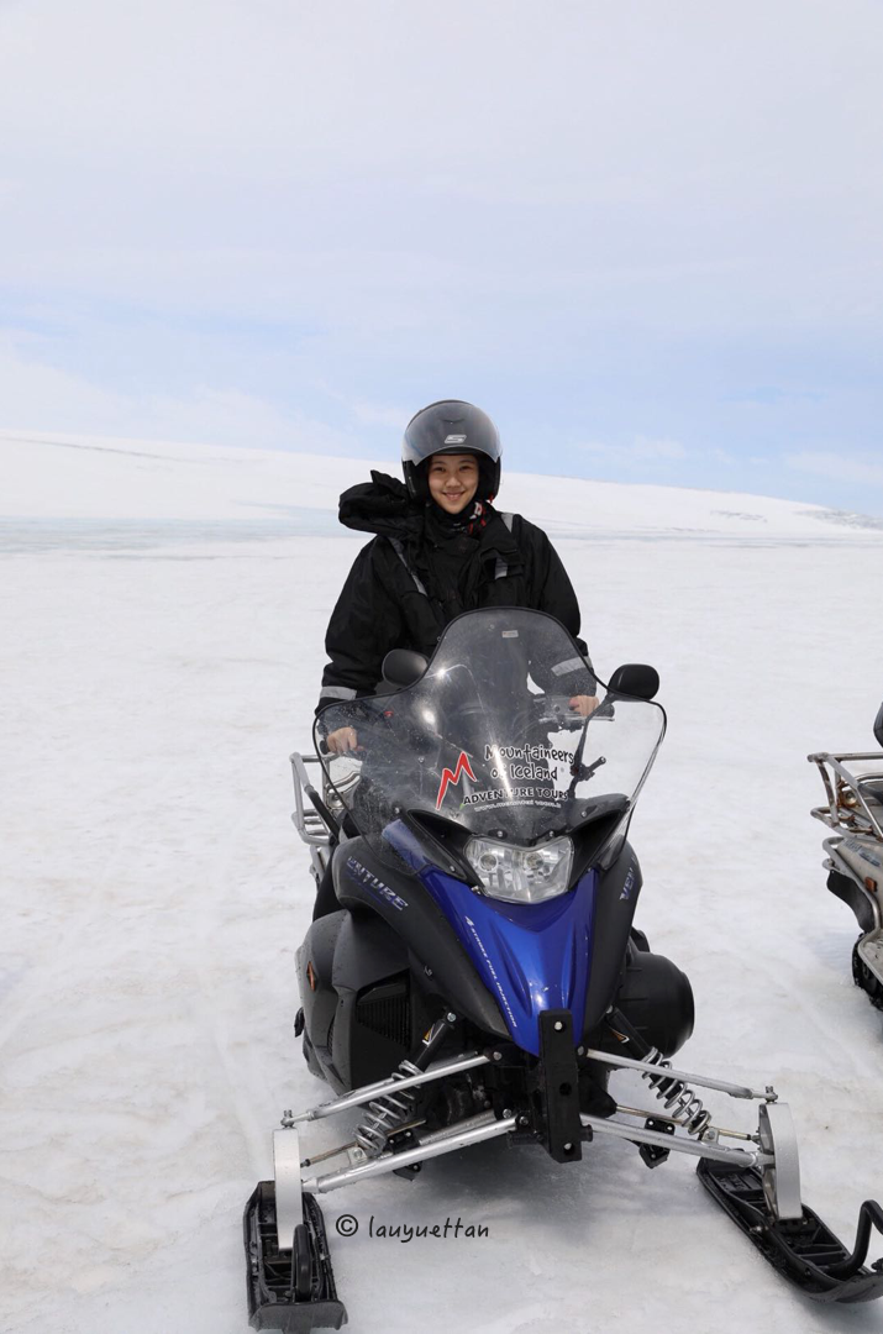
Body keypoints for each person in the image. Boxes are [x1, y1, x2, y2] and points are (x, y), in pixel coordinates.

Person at [317, 400, 597, 758]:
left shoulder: (523, 542)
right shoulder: (391, 553)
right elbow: (354, 650)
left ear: (484, 473)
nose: (453, 481)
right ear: (420, 475)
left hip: (512, 734)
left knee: (564, 814)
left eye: (465, 468)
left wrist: (575, 689)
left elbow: (555, 632)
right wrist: (340, 716)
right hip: (413, 739)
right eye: (440, 470)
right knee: (386, 812)